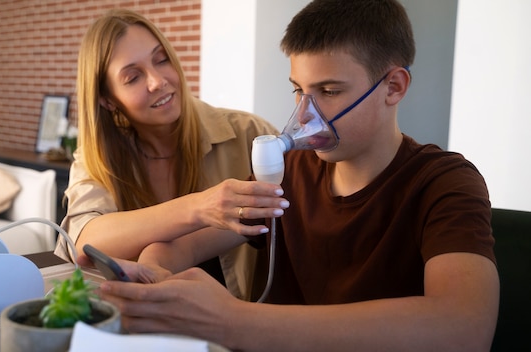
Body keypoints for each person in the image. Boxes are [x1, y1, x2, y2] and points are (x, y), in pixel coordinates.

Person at [83, 0, 500, 351]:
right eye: (298, 90)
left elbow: (464, 326)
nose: (303, 115)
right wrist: (157, 275)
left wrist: (233, 319)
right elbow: (173, 250)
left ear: (393, 86)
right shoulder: (290, 175)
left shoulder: (444, 183)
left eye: (330, 92)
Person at [53, 8, 283, 301]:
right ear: (108, 100)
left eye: (162, 60)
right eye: (133, 77)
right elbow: (87, 240)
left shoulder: (250, 133)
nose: (157, 81)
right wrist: (199, 207)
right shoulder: (97, 158)